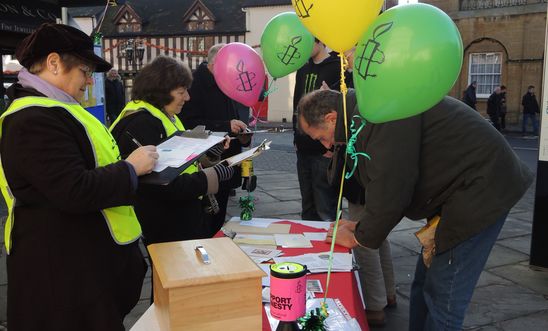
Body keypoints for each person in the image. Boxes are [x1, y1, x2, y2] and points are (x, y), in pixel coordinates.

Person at [297, 89, 533, 331]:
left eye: (321, 138)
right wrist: (362, 225)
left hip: (480, 189)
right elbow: (385, 178)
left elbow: (393, 185)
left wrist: (360, 235)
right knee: (423, 286)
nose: (327, 145)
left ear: (332, 118)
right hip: (460, 190)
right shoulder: (368, 110)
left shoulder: (378, 113)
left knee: (444, 296)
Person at [0, 23, 159, 330]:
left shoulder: (55, 110)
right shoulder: (31, 119)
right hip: (61, 280)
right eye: (85, 71)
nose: (89, 81)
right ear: (54, 63)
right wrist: (131, 168)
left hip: (77, 270)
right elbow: (74, 189)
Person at [110, 56, 235, 244]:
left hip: (178, 214)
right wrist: (211, 176)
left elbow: (178, 159)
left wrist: (209, 153)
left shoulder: (164, 115)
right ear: (162, 91)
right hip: (167, 222)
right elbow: (160, 183)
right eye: (181, 91)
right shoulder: (142, 123)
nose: (187, 97)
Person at [325, 48, 396, 327]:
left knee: (364, 240)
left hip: (363, 176)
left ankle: (375, 304)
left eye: (350, 53)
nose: (345, 58)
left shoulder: (356, 91)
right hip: (372, 174)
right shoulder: (363, 88)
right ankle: (388, 294)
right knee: (379, 236)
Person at [179, 43, 249, 233]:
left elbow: (234, 113)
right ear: (215, 63)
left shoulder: (225, 81)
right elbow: (188, 123)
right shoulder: (195, 84)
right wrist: (226, 125)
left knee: (220, 214)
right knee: (207, 219)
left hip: (227, 159)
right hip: (207, 161)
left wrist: (242, 134)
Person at [293, 38, 339, 221]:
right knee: (307, 206)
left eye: (307, 43)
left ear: (320, 41)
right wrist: (296, 137)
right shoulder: (303, 69)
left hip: (325, 150)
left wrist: (334, 148)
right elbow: (297, 106)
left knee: (325, 207)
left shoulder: (337, 68)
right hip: (303, 148)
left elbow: (340, 110)